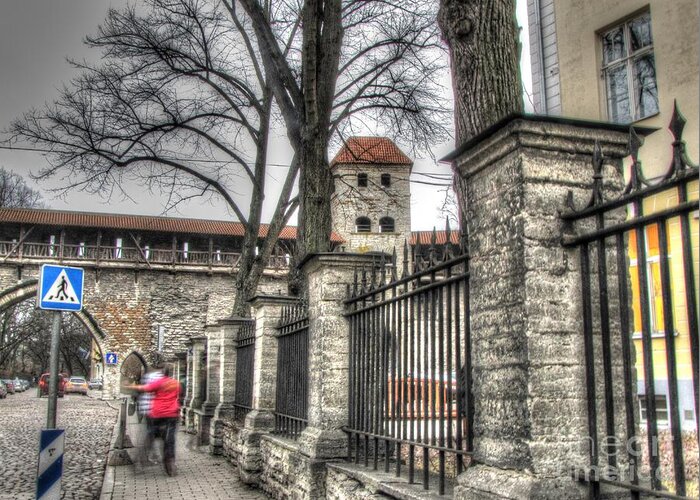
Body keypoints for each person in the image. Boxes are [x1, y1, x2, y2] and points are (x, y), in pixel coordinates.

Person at [128, 364, 181, 476]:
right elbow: (180, 395)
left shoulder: (160, 382)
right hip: (172, 414)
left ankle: (139, 461)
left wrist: (131, 387)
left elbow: (145, 388)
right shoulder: (176, 383)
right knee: (170, 440)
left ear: (162, 373)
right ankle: (170, 465)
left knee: (150, 437)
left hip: (157, 414)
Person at [137, 366, 163, 463]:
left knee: (152, 433)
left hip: (147, 409)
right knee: (155, 434)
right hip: (155, 410)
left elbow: (142, 393)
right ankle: (150, 456)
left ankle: (150, 455)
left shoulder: (147, 377)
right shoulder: (159, 377)